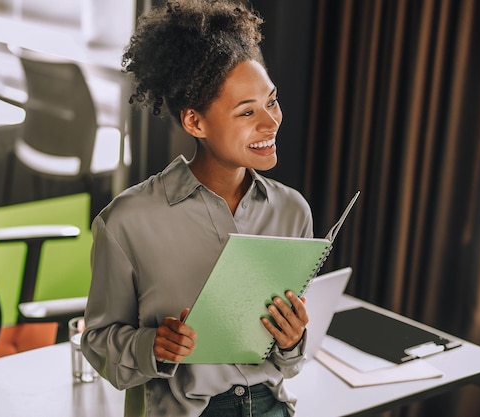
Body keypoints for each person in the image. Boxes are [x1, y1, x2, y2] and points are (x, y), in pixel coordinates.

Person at [81, 1, 313, 416]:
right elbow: (97, 342)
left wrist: (292, 340)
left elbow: (287, 364)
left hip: (271, 407)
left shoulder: (292, 211)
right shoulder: (126, 222)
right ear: (195, 123)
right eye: (247, 112)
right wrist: (151, 346)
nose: (271, 122)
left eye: (272, 102)